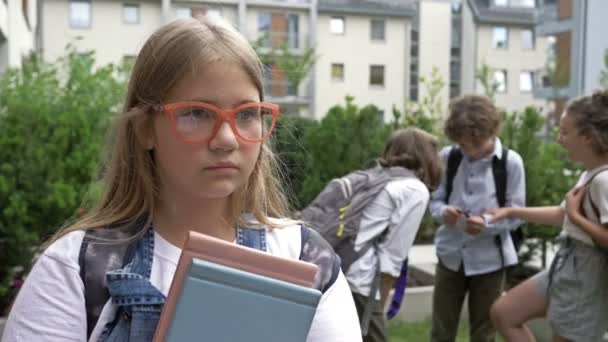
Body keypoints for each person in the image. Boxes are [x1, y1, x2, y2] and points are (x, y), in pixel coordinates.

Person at [1, 17, 361, 342]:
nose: (227, 139)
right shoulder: (78, 268)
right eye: (197, 114)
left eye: (247, 113)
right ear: (145, 129)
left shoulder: (305, 262)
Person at [488, 90, 608, 342]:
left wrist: (576, 218)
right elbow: (562, 214)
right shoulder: (591, 173)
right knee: (504, 313)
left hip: (586, 270)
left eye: (565, 132)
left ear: (588, 137)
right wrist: (511, 211)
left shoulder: (604, 180)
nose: (559, 139)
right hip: (567, 262)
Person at [429, 95, 526, 342]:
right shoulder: (448, 157)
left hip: (490, 261)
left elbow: (516, 214)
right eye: (462, 144)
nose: (468, 150)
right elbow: (434, 200)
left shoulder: (510, 163)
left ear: (491, 131)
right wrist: (444, 213)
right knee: (441, 330)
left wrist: (486, 224)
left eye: (475, 143)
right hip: (450, 256)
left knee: (484, 332)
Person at [346, 127, 442, 342]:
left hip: (336, 270)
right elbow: (392, 257)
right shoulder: (414, 190)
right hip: (360, 281)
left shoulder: (375, 177)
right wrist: (378, 306)